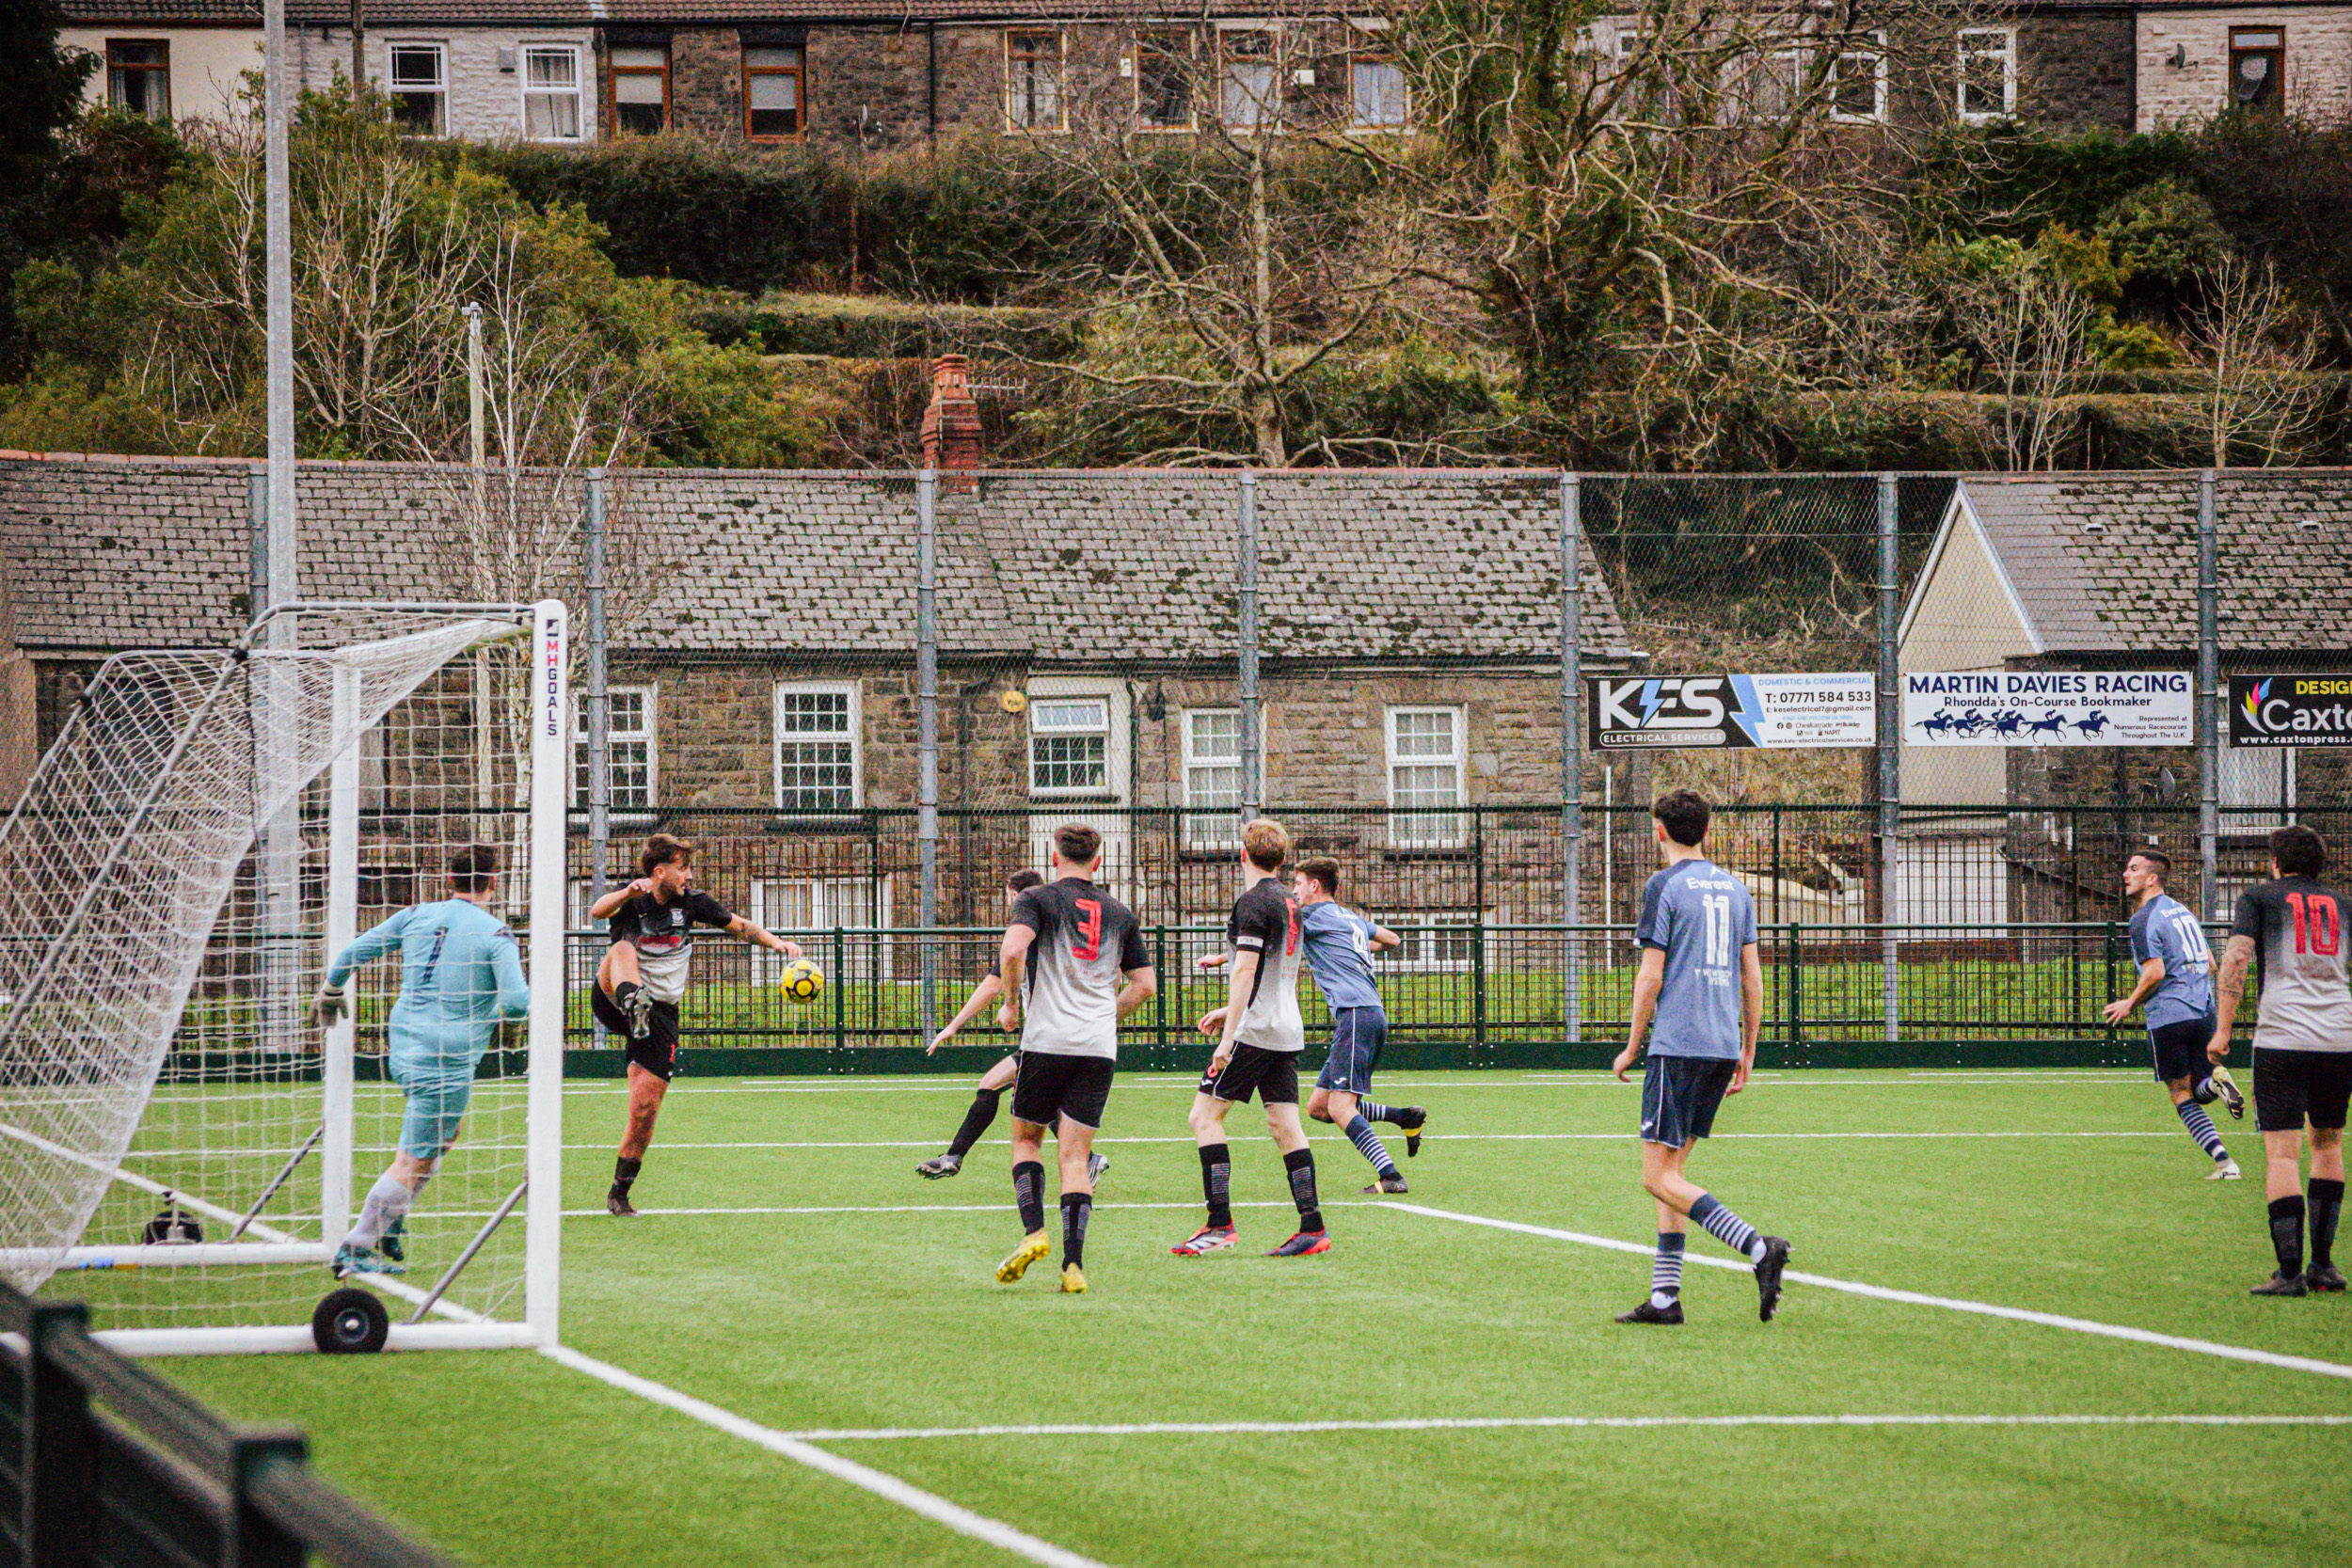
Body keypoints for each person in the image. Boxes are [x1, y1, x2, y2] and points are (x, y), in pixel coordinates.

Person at [1610, 789, 1792, 1326]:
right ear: (1706, 833)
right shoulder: (1736, 889)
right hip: (1719, 1044)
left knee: (1655, 1177)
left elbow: (1650, 975)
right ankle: (1665, 1299)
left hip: (1678, 1045)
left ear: (1658, 832)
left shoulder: (1662, 886)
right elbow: (1752, 976)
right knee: (1675, 1172)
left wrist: (1631, 1045)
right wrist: (1749, 1049)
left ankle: (1759, 1248)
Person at [310, 845, 529, 1277]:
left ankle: (390, 1216)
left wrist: (333, 989)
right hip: (445, 1057)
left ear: (449, 880)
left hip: (404, 1046)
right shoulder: (495, 933)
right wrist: (521, 1018)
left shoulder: (416, 915)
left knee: (442, 1137)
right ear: (494, 882)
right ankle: (357, 1245)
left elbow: (357, 948)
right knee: (415, 1160)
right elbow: (519, 1003)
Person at [588, 834, 802, 1216]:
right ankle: (632, 1000)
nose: (689, 874)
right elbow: (597, 911)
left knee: (644, 1109)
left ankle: (619, 1192)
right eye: (683, 867)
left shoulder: (692, 904)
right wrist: (624, 893)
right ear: (660, 871)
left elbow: (738, 925)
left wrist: (775, 942)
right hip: (615, 997)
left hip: (660, 1014)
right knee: (620, 949)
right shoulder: (632, 900)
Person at [991, 823, 1154, 1295]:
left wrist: (1011, 1003)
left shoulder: (1037, 899)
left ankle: (1033, 1233)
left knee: (1026, 1141)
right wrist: (1107, 1013)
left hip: (1045, 1042)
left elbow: (1014, 947)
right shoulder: (1120, 912)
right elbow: (1144, 985)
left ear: (1054, 855)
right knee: (1076, 1158)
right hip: (1097, 1048)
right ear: (1098, 862)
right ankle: (1073, 1266)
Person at [1173, 818, 1328, 1259]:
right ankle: (1312, 1226)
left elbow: (1244, 970)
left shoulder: (1251, 902)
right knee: (1285, 1125)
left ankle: (1219, 1224)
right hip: (1285, 1027)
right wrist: (1230, 1012)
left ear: (1242, 854)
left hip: (1255, 1031)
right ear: (1281, 860)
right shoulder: (1291, 902)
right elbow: (1277, 969)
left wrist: (1228, 1037)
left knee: (1203, 1117)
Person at [2209, 823, 2352, 1296]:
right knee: (2328, 1145)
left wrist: (2224, 1028)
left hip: (2283, 1037)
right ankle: (2325, 1267)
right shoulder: (2345, 904)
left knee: (2283, 1151)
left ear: (2275, 861)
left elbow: (2236, 960)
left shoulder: (2260, 897)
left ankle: (2290, 1273)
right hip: (2338, 1038)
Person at [917, 867, 1110, 1189]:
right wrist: (953, 1026)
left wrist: (1004, 1007)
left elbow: (995, 986)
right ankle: (1089, 1159)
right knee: (1023, 1099)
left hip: (1049, 1038)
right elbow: (994, 982)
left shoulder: (1028, 934)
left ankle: (953, 1158)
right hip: (1065, 1035)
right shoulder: (1058, 928)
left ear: (1020, 896)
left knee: (993, 1086)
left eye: (1009, 898)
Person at [2102, 848, 2242, 1178]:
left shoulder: (2142, 918)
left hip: (2169, 1015)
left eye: (2133, 869)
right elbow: (2209, 963)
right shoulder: (2183, 912)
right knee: (2199, 1089)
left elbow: (2155, 972)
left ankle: (2225, 1163)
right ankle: (2218, 1086)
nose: (2126, 874)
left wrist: (2129, 1003)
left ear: (2151, 879)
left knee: (2180, 1094)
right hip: (2202, 1010)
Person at [1292, 856, 1425, 1194]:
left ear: (1315, 886)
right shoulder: (1350, 918)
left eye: (1297, 883)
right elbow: (1393, 940)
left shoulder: (1311, 916)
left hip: (1355, 1015)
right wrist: (1357, 946)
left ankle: (1390, 1175)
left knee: (1340, 1107)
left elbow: (1273, 944)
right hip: (1369, 1014)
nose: (1294, 890)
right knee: (1319, 1108)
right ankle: (1402, 1117)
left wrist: (1223, 958)